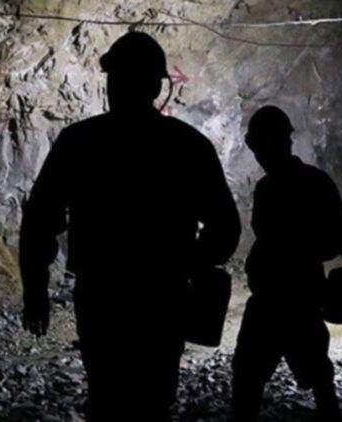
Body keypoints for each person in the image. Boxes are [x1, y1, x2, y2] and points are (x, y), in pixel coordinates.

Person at [19, 31, 241, 422]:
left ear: (112, 83)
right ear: (157, 86)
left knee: (105, 395)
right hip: (163, 297)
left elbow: (39, 220)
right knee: (154, 400)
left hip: (102, 296)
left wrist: (35, 291)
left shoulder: (79, 142)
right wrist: (190, 264)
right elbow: (225, 228)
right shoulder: (188, 146)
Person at [231, 105, 342, 422]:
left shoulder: (269, 189)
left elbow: (269, 237)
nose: (260, 153)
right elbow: (340, 237)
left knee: (248, 380)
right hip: (302, 298)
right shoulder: (315, 182)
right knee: (318, 378)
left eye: (260, 144)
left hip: (276, 300)